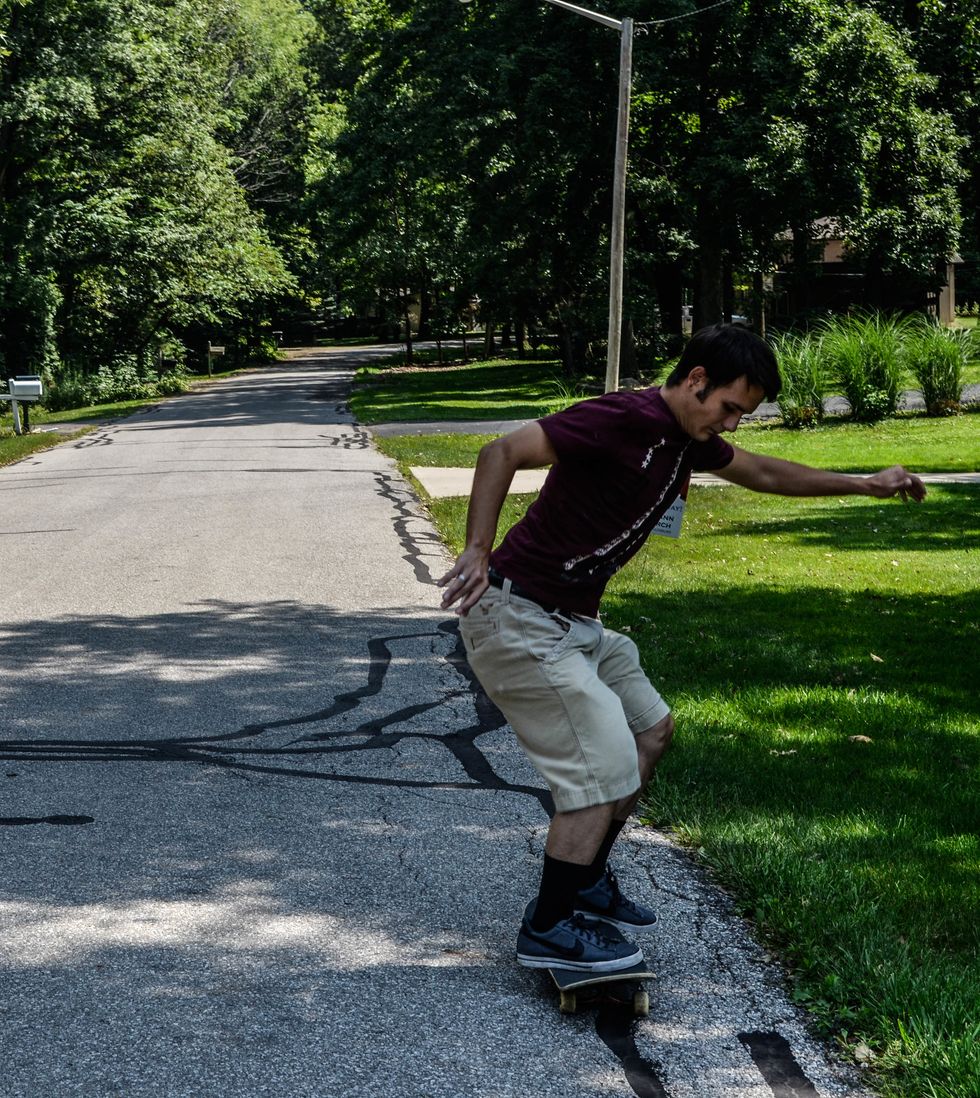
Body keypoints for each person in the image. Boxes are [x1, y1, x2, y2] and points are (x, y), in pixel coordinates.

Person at [437, 323, 926, 974]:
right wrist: (475, 546)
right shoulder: (621, 417)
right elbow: (501, 452)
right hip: (519, 616)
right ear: (696, 380)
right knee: (600, 765)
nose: (732, 425)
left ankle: (584, 879)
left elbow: (765, 473)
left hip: (575, 623)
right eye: (729, 408)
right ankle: (548, 926)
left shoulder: (689, 440)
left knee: (650, 731)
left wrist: (865, 483)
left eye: (742, 415)